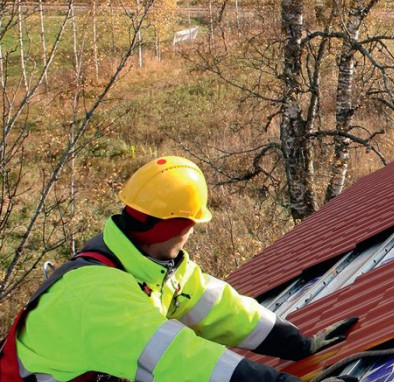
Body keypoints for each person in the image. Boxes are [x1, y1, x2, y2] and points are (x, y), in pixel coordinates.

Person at [1, 156, 357, 382]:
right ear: (182, 226)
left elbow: (223, 310)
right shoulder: (97, 296)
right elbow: (187, 364)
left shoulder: (152, 268)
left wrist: (301, 345)